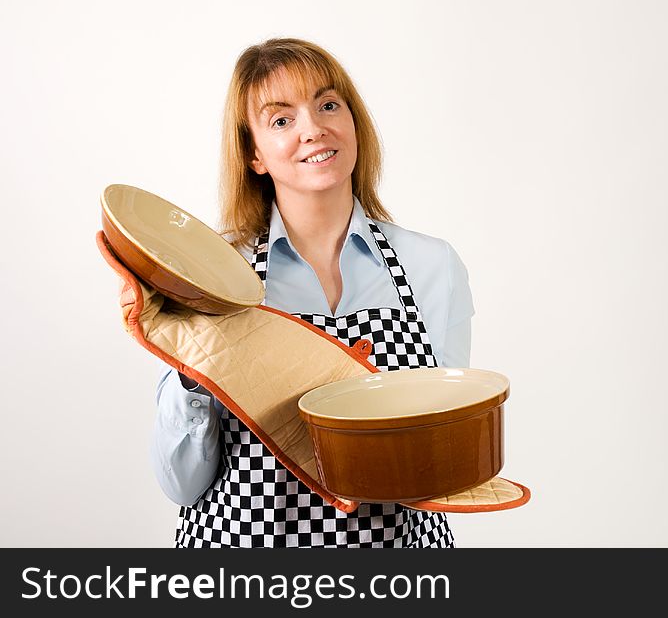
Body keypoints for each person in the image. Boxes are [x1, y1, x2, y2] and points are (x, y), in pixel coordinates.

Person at [149, 38, 475, 548]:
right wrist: (190, 372)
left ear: (353, 122)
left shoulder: (432, 266)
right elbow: (181, 484)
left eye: (327, 105)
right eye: (281, 120)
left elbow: (443, 455)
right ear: (254, 154)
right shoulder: (214, 274)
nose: (313, 128)